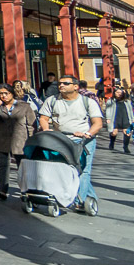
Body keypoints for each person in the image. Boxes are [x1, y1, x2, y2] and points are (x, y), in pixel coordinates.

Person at [38, 75, 105, 211]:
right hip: (61, 139)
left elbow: (97, 123)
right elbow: (43, 118)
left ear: (75, 86)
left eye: (65, 83)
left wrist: (87, 134)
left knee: (83, 170)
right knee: (64, 169)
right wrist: (46, 130)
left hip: (84, 140)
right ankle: (90, 197)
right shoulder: (52, 100)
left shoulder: (87, 102)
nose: (61, 85)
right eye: (60, 83)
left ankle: (80, 200)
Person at [0, 83, 34, 200]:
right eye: (1, 94)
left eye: (6, 93)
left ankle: (26, 191)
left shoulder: (24, 106)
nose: (4, 96)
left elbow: (31, 124)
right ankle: (2, 190)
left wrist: (31, 140)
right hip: (2, 139)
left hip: (20, 140)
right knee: (2, 165)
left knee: (22, 166)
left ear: (12, 93)